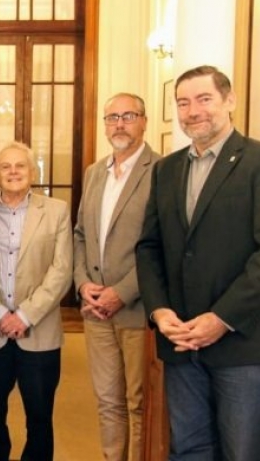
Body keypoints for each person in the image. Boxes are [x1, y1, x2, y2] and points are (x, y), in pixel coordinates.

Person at [136, 65, 260, 460]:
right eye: (183, 102)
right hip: (180, 343)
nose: (193, 111)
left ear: (229, 101)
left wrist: (221, 318)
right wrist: (160, 312)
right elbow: (149, 247)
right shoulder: (167, 170)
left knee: (243, 454)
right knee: (188, 451)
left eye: (204, 99)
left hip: (243, 344)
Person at [74, 93, 160, 461]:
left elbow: (163, 245)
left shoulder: (162, 170)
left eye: (128, 116)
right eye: (111, 118)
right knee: (108, 401)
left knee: (138, 403)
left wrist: (122, 292)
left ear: (144, 121)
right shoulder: (95, 172)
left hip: (136, 310)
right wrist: (82, 284)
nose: (119, 124)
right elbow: (79, 235)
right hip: (96, 312)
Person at [0, 142, 73, 461]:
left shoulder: (56, 210)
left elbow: (62, 270)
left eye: (21, 166)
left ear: (33, 172)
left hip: (40, 332)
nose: (13, 172)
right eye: (6, 166)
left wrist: (26, 316)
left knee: (40, 417)